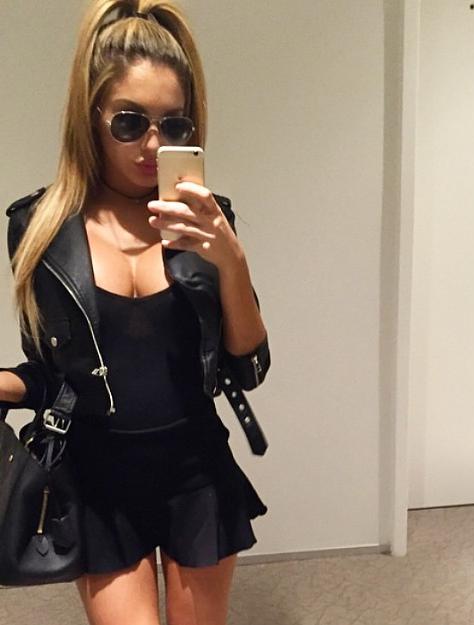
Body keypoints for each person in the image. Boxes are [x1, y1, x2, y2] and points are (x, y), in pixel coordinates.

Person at [0, 1, 270, 624]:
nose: (153, 144)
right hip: (97, 475)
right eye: (129, 122)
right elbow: (56, 376)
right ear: (90, 118)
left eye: (173, 125)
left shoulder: (207, 223)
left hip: (196, 467)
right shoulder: (40, 230)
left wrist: (231, 259)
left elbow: (249, 367)